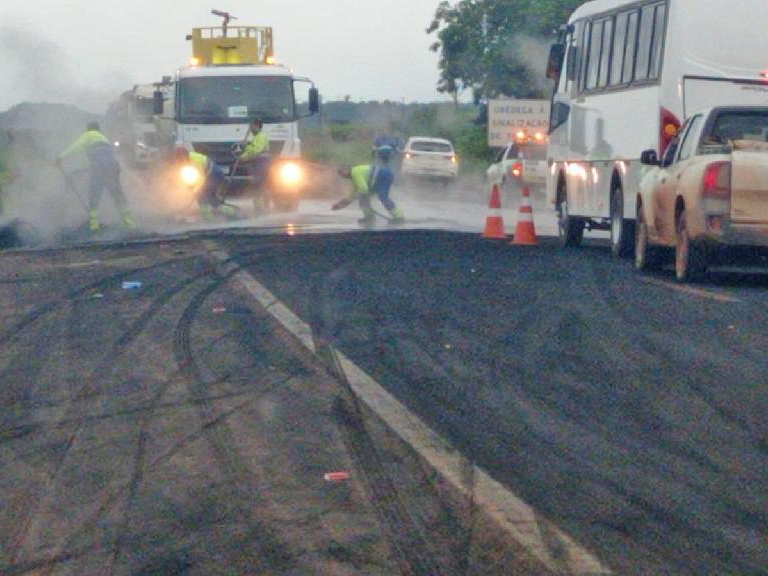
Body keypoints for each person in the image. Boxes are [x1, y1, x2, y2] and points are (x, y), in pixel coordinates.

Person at [56, 121, 136, 232]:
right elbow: (105, 156)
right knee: (118, 195)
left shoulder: (89, 135)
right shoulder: (104, 138)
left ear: (89, 129)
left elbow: (76, 146)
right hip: (113, 167)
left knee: (94, 195)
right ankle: (131, 225)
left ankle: (94, 227)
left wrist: (61, 157)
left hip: (99, 167)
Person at [333, 145, 404, 223]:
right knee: (365, 199)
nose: (342, 176)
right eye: (340, 174)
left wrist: (358, 196)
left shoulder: (355, 172)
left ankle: (398, 217)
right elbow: (352, 194)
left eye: (342, 173)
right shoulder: (354, 178)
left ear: (346, 169)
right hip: (379, 178)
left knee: (383, 197)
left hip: (383, 176)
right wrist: (341, 204)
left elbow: (364, 189)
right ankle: (369, 217)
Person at [172, 147, 237, 219]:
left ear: (185, 156)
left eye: (181, 159)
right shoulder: (187, 159)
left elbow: (201, 179)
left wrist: (196, 190)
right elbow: (192, 177)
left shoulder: (195, 161)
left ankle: (225, 214)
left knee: (206, 196)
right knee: (206, 197)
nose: (180, 161)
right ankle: (213, 215)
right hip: (210, 175)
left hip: (214, 175)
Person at [239, 117, 271, 190]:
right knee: (257, 181)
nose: (250, 130)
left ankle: (262, 199)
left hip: (262, 162)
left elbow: (256, 150)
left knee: (261, 181)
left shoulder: (261, 137)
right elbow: (250, 151)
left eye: (252, 127)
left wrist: (246, 146)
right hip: (257, 162)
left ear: (257, 126)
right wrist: (243, 157)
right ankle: (259, 199)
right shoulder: (256, 137)